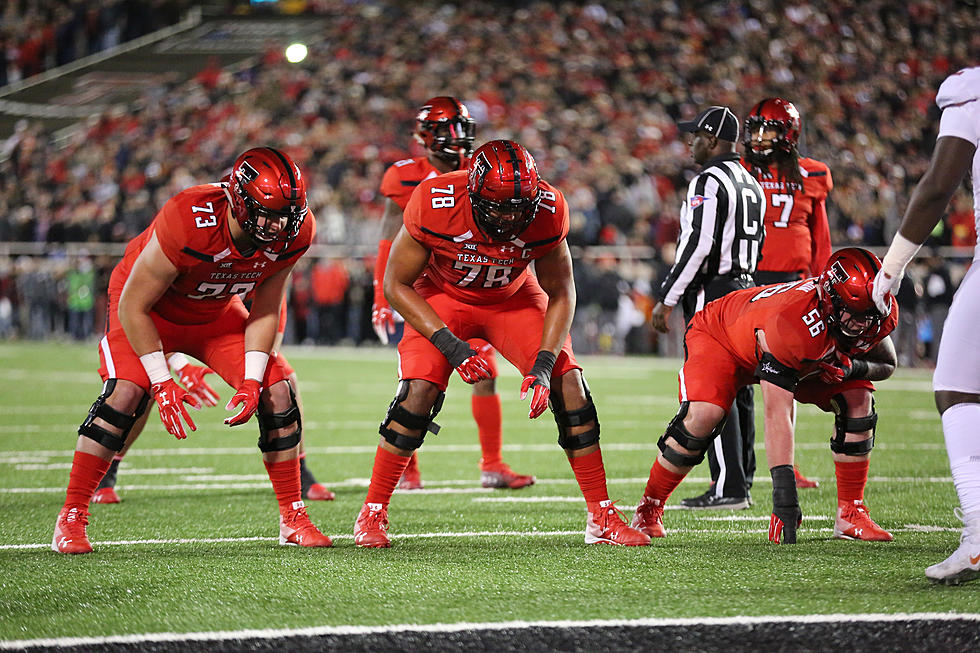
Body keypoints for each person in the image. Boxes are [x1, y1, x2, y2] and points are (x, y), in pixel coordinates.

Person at [354, 139, 650, 548]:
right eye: (498, 207)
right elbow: (395, 284)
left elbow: (562, 291)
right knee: (418, 392)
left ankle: (601, 515)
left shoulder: (547, 208)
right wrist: (452, 347)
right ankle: (372, 512)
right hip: (444, 296)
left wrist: (545, 364)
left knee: (570, 384)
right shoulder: (435, 200)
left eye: (517, 208)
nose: (509, 218)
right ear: (473, 193)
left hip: (513, 298)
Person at [52, 147, 332, 553]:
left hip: (215, 312)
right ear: (238, 202)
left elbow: (268, 306)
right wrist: (163, 380)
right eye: (267, 214)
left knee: (278, 390)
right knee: (127, 393)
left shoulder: (298, 229)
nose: (277, 226)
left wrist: (252, 381)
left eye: (286, 215)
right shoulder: (191, 216)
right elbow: (133, 305)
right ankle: (72, 515)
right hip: (149, 308)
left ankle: (292, 516)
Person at [633, 248, 898, 544]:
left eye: (870, 315)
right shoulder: (794, 325)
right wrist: (784, 495)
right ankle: (650, 506)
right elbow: (777, 412)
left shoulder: (871, 311)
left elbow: (887, 364)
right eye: (856, 314)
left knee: (859, 399)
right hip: (721, 335)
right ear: (831, 300)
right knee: (704, 417)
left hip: (798, 352)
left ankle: (851, 512)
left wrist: (851, 368)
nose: (864, 325)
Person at [372, 97, 534, 491]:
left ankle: (492, 464)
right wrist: (381, 295)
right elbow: (387, 241)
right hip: (427, 289)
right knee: (418, 383)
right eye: (447, 130)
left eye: (462, 127)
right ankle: (405, 465)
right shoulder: (405, 176)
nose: (458, 138)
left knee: (486, 374)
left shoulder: (484, 173)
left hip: (477, 285)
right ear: (425, 136)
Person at [682, 97, 831, 508]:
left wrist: (820, 282)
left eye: (770, 130)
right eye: (757, 129)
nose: (761, 138)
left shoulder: (814, 173)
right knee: (740, 379)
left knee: (785, 381)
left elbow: (820, 236)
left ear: (790, 135)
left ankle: (781, 464)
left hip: (793, 285)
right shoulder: (739, 172)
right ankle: (738, 477)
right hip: (751, 284)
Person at [872, 66, 980, 585]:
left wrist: (891, 265)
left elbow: (940, 186)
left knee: (956, 387)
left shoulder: (970, 90)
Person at [91, 298, 335, 505]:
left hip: (221, 316)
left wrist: (262, 367)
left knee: (284, 380)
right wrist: (180, 365)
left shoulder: (266, 255)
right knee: (145, 385)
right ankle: (107, 469)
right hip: (156, 314)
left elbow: (272, 306)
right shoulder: (198, 251)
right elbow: (148, 312)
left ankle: (299, 472)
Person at [650, 105, 765, 511]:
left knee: (711, 389)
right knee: (740, 392)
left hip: (712, 294)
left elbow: (697, 246)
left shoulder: (709, 181)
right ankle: (740, 480)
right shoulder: (751, 182)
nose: (690, 142)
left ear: (712, 140)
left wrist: (667, 298)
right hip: (746, 288)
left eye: (696, 135)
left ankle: (728, 487)